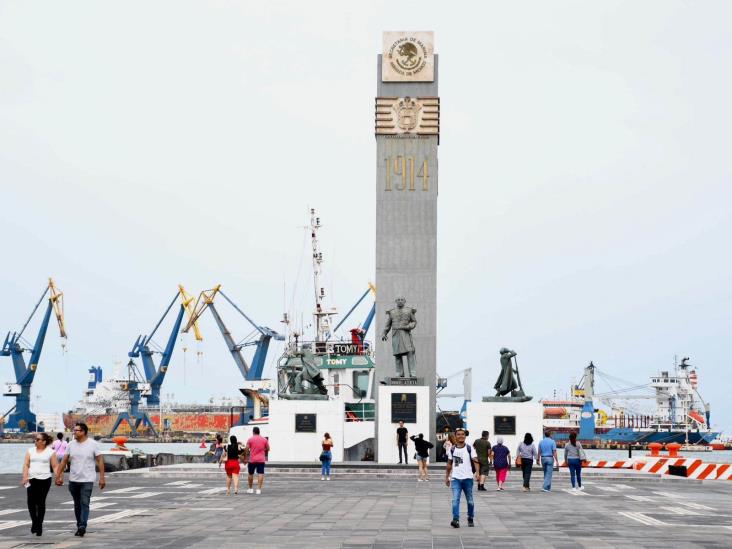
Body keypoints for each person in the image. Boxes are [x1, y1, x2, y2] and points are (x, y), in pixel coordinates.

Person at [55, 422, 105, 537]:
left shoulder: (93, 444)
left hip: (87, 479)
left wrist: (102, 477)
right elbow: (64, 461)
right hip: (73, 479)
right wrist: (58, 476)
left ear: (83, 432)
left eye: (76, 430)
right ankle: (79, 525)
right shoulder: (71, 444)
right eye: (74, 430)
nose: (74, 432)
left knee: (84, 502)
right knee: (77, 504)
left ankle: (83, 525)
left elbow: (100, 460)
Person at [21, 432, 58, 536]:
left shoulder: (50, 452)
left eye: (38, 439)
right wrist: (25, 477)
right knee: (31, 502)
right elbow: (26, 464)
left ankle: (39, 525)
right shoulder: (30, 451)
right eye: (35, 439)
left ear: (44, 442)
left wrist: (58, 477)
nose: (35, 441)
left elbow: (55, 466)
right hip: (31, 479)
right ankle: (35, 522)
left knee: (41, 502)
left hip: (45, 479)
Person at [445, 428, 478, 528]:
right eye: (458, 434)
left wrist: (478, 473)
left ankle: (470, 517)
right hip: (456, 479)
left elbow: (475, 460)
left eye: (462, 434)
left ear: (465, 436)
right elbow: (449, 464)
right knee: (455, 500)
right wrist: (447, 477)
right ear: (455, 436)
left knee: (470, 501)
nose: (461, 436)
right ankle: (456, 520)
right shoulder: (452, 449)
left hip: (468, 478)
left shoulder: (469, 448)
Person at [245, 426, 270, 495]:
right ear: (259, 432)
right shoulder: (264, 439)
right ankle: (258, 489)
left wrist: (247, 456)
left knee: (250, 474)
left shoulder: (250, 439)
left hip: (252, 459)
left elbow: (246, 449)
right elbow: (268, 448)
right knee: (260, 473)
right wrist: (263, 450)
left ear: (253, 432)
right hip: (261, 460)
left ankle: (250, 489)